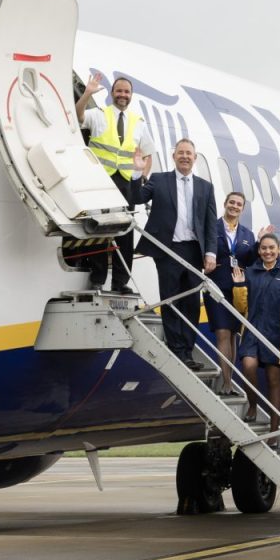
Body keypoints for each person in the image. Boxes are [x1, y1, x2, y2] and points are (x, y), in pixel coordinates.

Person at [133, 138, 216, 367]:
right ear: (174, 156)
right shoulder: (159, 180)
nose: (185, 157)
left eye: (189, 153)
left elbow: (210, 224)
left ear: (195, 158)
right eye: (181, 153)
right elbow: (137, 198)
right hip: (168, 249)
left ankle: (188, 350)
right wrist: (137, 173)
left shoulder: (205, 187)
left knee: (191, 303)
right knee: (169, 300)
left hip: (193, 250)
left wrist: (211, 253)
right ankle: (176, 349)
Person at [76, 74, 153, 293]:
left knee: (125, 234)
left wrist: (141, 176)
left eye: (126, 92)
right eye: (119, 91)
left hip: (127, 183)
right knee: (101, 228)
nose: (123, 95)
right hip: (102, 180)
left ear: (131, 95)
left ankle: (120, 282)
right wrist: (87, 94)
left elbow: (148, 154)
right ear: (112, 93)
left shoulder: (138, 123)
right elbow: (78, 116)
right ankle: (98, 277)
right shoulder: (99, 114)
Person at [229, 233, 280, 436]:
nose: (267, 252)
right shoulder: (251, 272)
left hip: (276, 334)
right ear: (259, 251)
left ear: (278, 249)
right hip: (252, 330)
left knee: (273, 380)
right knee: (248, 366)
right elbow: (241, 306)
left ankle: (274, 429)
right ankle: (253, 405)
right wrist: (239, 286)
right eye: (263, 248)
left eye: (271, 248)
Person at [205, 191, 265, 392]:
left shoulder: (247, 234)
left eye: (239, 204)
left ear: (243, 208)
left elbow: (250, 261)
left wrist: (259, 243)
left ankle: (229, 378)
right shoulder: (211, 226)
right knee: (222, 332)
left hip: (238, 289)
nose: (234, 206)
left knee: (232, 335)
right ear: (225, 203)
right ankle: (227, 382)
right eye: (231, 202)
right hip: (215, 286)